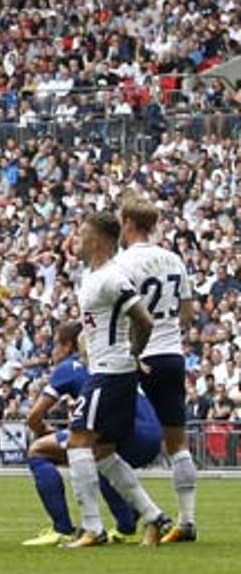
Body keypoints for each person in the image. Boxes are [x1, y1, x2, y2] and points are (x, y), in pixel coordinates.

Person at [62, 211, 171, 548]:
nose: (76, 238)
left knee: (78, 443)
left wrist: (135, 353)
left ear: (97, 239)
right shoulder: (92, 276)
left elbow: (145, 320)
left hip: (110, 373)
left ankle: (92, 528)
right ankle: (154, 517)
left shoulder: (112, 278)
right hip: (111, 371)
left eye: (81, 233)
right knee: (104, 453)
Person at [20, 321, 156, 545]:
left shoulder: (70, 367)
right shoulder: (113, 361)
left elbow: (34, 417)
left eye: (55, 345)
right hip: (151, 433)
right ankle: (127, 525)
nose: (52, 352)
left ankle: (63, 529)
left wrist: (45, 431)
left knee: (38, 451)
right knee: (99, 460)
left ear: (68, 346)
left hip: (126, 432)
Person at [114, 193, 198, 543]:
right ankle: (187, 520)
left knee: (105, 441)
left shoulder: (123, 263)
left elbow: (122, 312)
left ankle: (141, 514)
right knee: (178, 443)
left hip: (137, 357)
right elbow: (189, 311)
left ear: (129, 224)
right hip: (171, 354)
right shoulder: (173, 259)